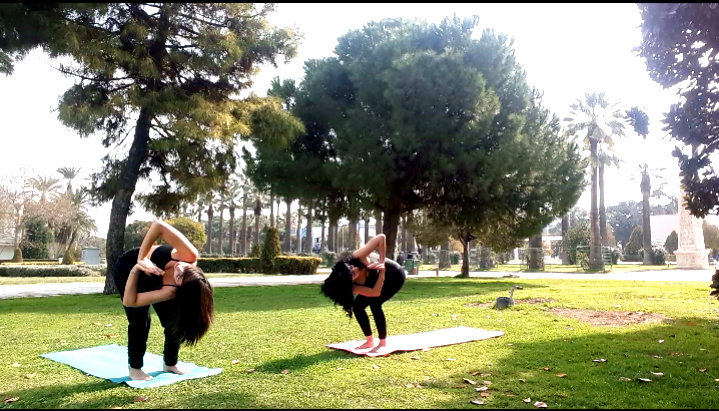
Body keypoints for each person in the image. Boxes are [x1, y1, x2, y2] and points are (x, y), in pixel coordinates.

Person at [113, 220, 214, 381]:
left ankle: (170, 363)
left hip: (155, 281)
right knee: (140, 321)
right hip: (128, 269)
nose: (179, 267)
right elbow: (158, 226)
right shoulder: (189, 255)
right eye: (186, 269)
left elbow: (130, 302)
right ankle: (135, 369)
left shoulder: (170, 290)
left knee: (172, 321)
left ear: (179, 288)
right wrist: (140, 262)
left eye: (179, 276)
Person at [321, 234, 406, 353]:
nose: (354, 270)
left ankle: (382, 343)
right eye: (352, 275)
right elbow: (375, 292)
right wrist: (381, 273)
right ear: (348, 282)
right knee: (357, 306)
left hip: (394, 275)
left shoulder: (358, 257)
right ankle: (369, 341)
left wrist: (382, 262)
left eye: (351, 268)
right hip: (378, 279)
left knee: (375, 304)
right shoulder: (352, 286)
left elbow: (381, 237)